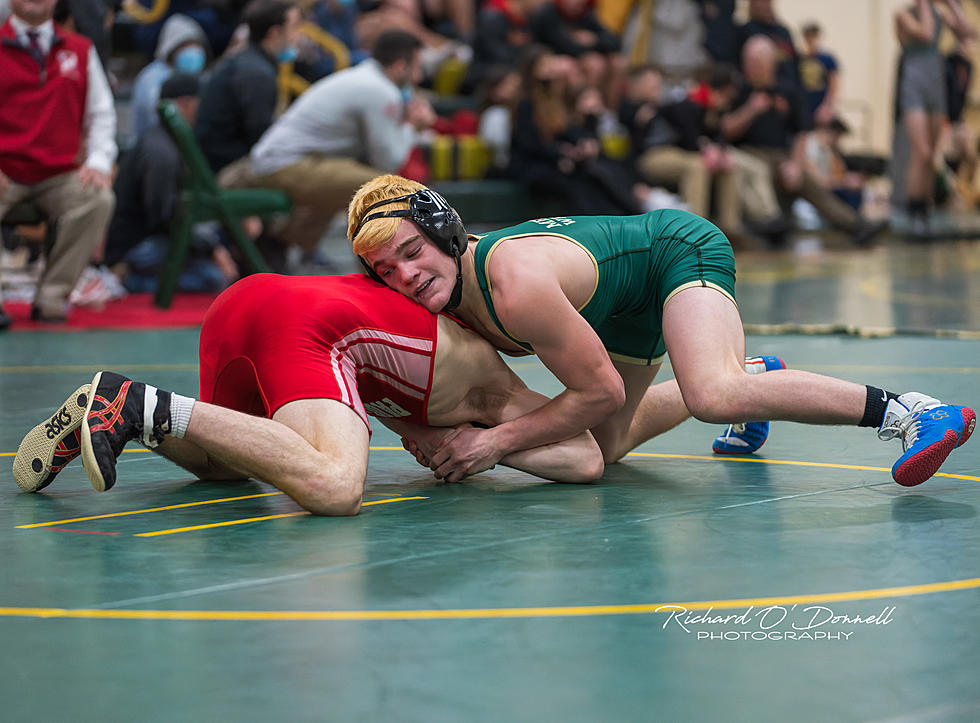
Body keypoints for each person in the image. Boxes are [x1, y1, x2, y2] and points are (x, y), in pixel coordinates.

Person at [347, 174, 976, 490]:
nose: (406, 275)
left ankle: (914, 412)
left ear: (443, 231)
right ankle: (759, 376)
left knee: (712, 395)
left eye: (411, 251)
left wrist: (495, 441)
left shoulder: (511, 281)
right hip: (621, 304)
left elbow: (599, 393)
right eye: (386, 270)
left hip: (673, 251)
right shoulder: (442, 299)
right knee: (605, 449)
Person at [13, 273, 604, 515]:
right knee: (335, 486)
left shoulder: (435, 348)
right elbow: (584, 457)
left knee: (224, 465)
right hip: (310, 327)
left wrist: (430, 433)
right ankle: (138, 402)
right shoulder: (492, 387)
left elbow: (380, 381)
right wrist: (492, 444)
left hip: (244, 301)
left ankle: (129, 412)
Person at [233, 29, 436, 254]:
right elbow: (388, 161)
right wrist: (412, 127)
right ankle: (377, 272)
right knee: (381, 190)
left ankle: (280, 248)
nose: (418, 77)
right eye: (417, 67)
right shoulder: (380, 90)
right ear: (400, 66)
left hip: (284, 160)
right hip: (283, 164)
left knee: (345, 179)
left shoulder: (365, 78)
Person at [0, 0, 116, 325]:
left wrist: (98, 161)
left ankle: (52, 298)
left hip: (58, 174)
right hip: (5, 171)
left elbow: (102, 113)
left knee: (97, 199)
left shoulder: (81, 50)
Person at [724, 35, 886, 246]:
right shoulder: (739, 90)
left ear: (771, 63)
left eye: (755, 62)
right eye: (748, 61)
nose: (750, 67)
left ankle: (856, 225)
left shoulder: (788, 91)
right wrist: (750, 110)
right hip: (748, 152)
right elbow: (725, 130)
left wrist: (796, 164)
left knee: (809, 182)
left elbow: (801, 133)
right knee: (757, 169)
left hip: (782, 155)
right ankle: (770, 222)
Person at [104, 73, 238, 294]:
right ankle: (126, 279)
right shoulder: (161, 151)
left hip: (151, 234)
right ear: (184, 105)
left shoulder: (168, 141)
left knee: (215, 246)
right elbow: (163, 217)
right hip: (136, 244)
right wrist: (210, 249)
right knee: (213, 278)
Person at [895, 0, 975, 236]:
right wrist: (925, 5)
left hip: (935, 84)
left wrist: (953, 8)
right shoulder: (902, 15)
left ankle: (926, 210)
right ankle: (914, 209)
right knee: (922, 152)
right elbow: (928, 34)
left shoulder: (940, 13)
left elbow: (969, 34)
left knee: (932, 156)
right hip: (914, 85)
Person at [194, 0, 302, 175]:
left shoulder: (248, 60)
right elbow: (262, 140)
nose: (299, 35)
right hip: (228, 168)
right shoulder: (257, 73)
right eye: (295, 27)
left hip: (221, 159)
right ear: (274, 33)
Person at [129, 13, 210, 140]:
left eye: (196, 44)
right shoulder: (151, 77)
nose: (192, 50)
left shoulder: (202, 76)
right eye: (185, 45)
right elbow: (156, 114)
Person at [798, 21, 839, 128]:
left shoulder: (827, 59)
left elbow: (833, 84)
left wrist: (827, 106)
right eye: (808, 35)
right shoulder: (798, 59)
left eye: (814, 35)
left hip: (821, 108)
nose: (811, 39)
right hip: (803, 108)